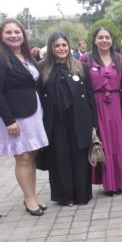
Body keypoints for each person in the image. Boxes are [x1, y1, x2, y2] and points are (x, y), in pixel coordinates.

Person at [0, 18, 49, 216]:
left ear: (23, 35)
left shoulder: (27, 57)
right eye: (9, 32)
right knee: (23, 158)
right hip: (15, 116)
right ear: (1, 36)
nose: (13, 35)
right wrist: (9, 121)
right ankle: (29, 199)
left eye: (17, 32)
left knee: (32, 156)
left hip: (33, 112)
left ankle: (32, 196)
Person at [38, 32, 97, 206]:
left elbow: (90, 97)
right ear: (51, 48)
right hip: (55, 122)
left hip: (79, 120)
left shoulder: (81, 67)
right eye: (57, 46)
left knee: (80, 157)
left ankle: (82, 195)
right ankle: (65, 196)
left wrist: (94, 123)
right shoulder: (42, 68)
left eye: (64, 45)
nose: (61, 48)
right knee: (60, 158)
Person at [82, 26, 122, 195]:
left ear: (112, 40)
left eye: (107, 37)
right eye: (100, 37)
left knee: (118, 143)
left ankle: (119, 182)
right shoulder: (86, 59)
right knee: (103, 143)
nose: (104, 40)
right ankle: (109, 183)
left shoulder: (119, 59)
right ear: (94, 40)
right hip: (96, 105)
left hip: (116, 104)